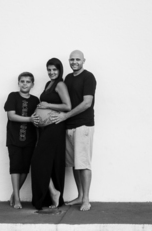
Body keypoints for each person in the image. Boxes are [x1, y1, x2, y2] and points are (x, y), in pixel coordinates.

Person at [55, 50, 97, 211]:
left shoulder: (88, 77)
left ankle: (86, 199)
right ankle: (79, 196)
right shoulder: (68, 78)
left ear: (83, 60)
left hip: (83, 125)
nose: (74, 62)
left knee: (83, 163)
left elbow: (87, 103)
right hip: (69, 126)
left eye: (77, 59)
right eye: (72, 59)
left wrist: (66, 116)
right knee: (74, 164)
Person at [29, 58, 71, 213]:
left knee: (38, 160)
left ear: (60, 70)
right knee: (45, 162)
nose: (52, 72)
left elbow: (68, 106)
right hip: (46, 128)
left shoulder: (60, 84)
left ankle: (54, 192)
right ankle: (53, 192)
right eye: (49, 69)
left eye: (54, 69)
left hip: (55, 127)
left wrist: (47, 105)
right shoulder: (49, 84)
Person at [3, 72, 39, 209]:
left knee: (25, 169)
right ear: (18, 83)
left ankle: (14, 194)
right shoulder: (13, 96)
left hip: (30, 139)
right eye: (22, 81)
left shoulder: (35, 100)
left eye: (28, 82)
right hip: (14, 138)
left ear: (32, 84)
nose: (25, 84)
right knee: (15, 167)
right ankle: (17, 199)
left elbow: (38, 117)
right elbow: (11, 116)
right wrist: (29, 119)